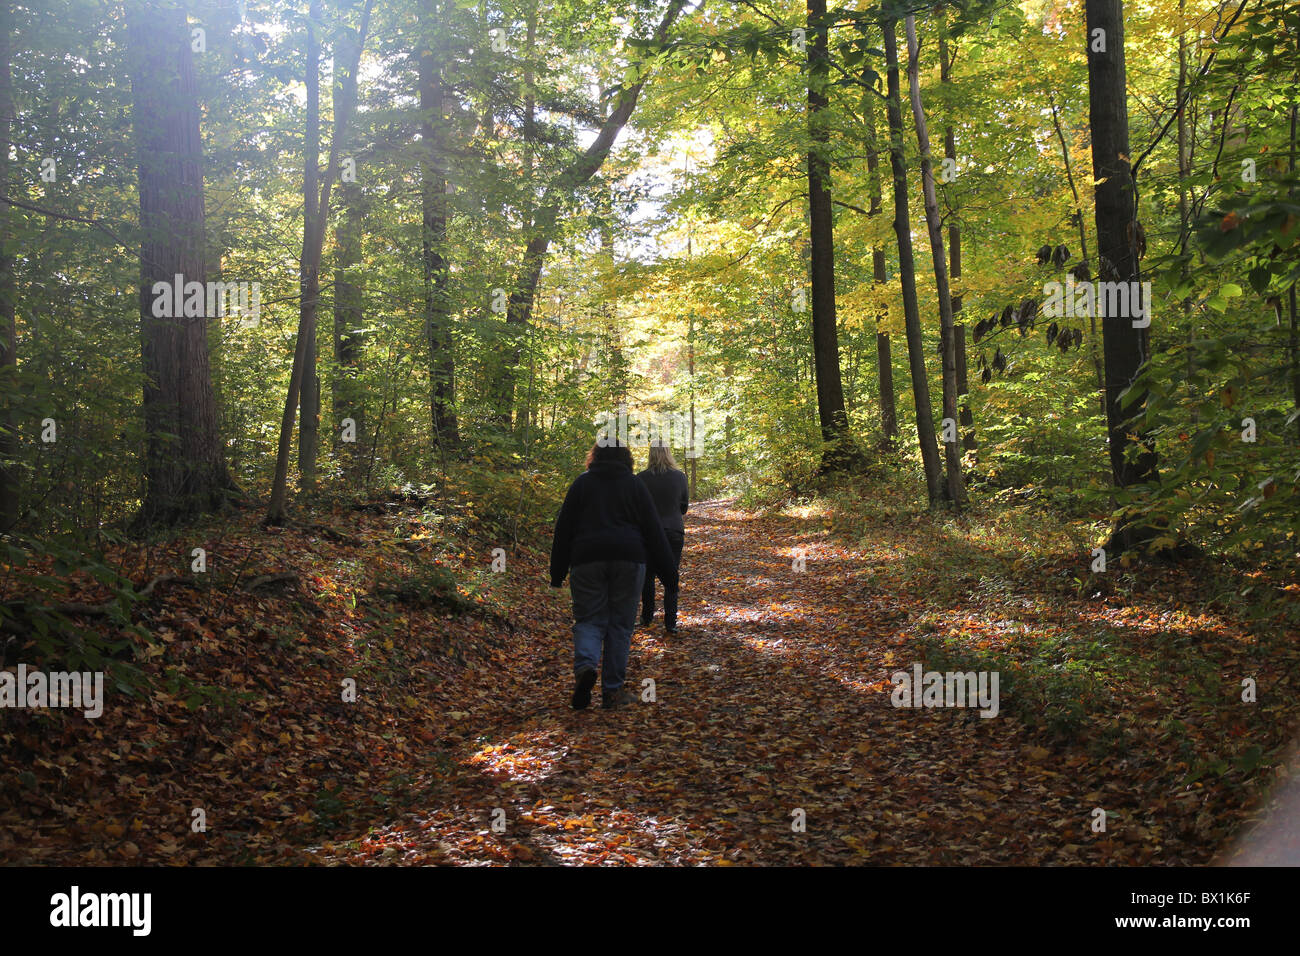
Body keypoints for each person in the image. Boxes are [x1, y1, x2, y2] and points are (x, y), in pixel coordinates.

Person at [550, 440, 679, 711]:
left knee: (588, 619)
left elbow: (563, 530)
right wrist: (669, 574)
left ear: (594, 457)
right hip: (628, 560)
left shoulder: (581, 485)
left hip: (586, 560)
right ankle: (611, 692)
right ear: (627, 459)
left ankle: (585, 665)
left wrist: (557, 573)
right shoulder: (634, 485)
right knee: (620, 625)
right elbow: (654, 531)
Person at [637, 443, 689, 634]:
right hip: (673, 530)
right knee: (671, 575)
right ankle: (670, 622)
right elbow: (684, 507)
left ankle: (647, 617)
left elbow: (636, 508)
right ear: (668, 454)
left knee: (647, 576)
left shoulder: (641, 478)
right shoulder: (680, 477)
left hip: (648, 532)